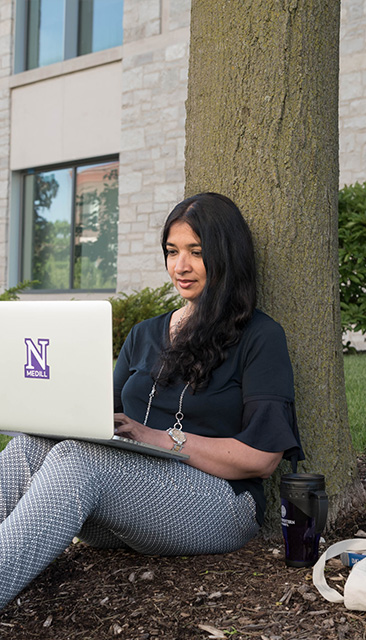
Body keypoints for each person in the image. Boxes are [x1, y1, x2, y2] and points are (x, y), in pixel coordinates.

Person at [0, 192, 304, 611]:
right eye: (172, 251)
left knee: (76, 460)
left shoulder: (260, 336)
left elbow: (262, 459)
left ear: (227, 255)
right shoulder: (144, 334)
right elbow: (96, 418)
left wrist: (160, 438)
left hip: (219, 504)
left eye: (196, 252)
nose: (180, 266)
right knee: (26, 448)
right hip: (127, 507)